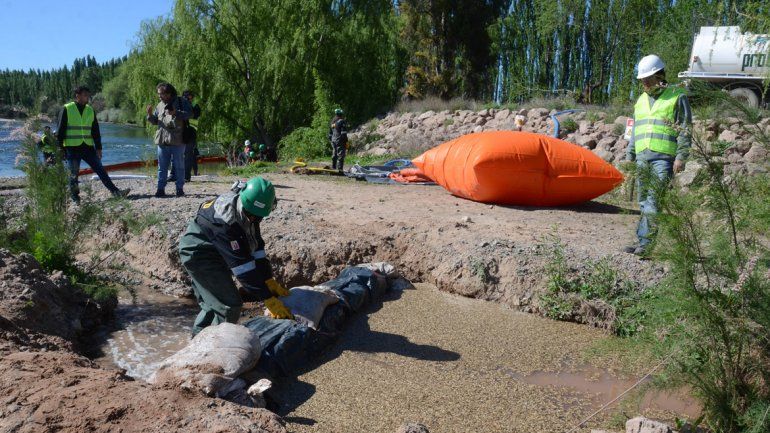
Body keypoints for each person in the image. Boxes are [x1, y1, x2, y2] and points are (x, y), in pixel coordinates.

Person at [178, 177, 294, 335]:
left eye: (257, 217)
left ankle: (196, 346)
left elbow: (256, 247)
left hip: (215, 249)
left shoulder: (250, 208)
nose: (254, 219)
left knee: (213, 305)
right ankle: (214, 352)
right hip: (199, 253)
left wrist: (268, 279)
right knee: (229, 306)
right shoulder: (226, 222)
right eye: (252, 215)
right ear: (243, 201)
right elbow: (243, 269)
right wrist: (267, 298)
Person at [624, 54, 692, 256]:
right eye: (642, 79)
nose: (644, 82)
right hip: (643, 157)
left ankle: (646, 246)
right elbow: (636, 130)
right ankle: (642, 241)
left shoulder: (677, 96)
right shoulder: (641, 100)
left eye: (648, 78)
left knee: (653, 201)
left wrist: (681, 157)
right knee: (644, 201)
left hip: (664, 159)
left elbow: (685, 129)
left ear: (659, 75)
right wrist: (630, 156)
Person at [56, 86, 130, 203]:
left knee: (100, 170)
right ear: (77, 95)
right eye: (85, 95)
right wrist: (60, 148)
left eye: (88, 95)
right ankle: (75, 198)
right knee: (73, 174)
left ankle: (116, 192)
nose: (87, 97)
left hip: (87, 147)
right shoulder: (66, 109)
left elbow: (95, 131)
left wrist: (99, 148)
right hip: (72, 148)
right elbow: (60, 131)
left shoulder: (90, 110)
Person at [146, 82, 192, 197]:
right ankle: (160, 189)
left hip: (178, 140)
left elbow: (190, 114)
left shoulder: (182, 102)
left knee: (179, 166)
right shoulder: (159, 105)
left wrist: (176, 112)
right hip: (162, 141)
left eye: (161, 94)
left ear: (169, 93)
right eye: (159, 94)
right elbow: (155, 121)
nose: (159, 96)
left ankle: (179, 189)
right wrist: (150, 115)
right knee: (162, 167)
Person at [170, 90, 201, 182]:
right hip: (179, 133)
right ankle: (173, 174)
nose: (188, 99)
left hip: (189, 134)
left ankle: (186, 176)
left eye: (190, 97)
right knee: (175, 154)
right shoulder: (178, 103)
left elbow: (192, 121)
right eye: (187, 97)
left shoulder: (195, 107)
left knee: (187, 155)